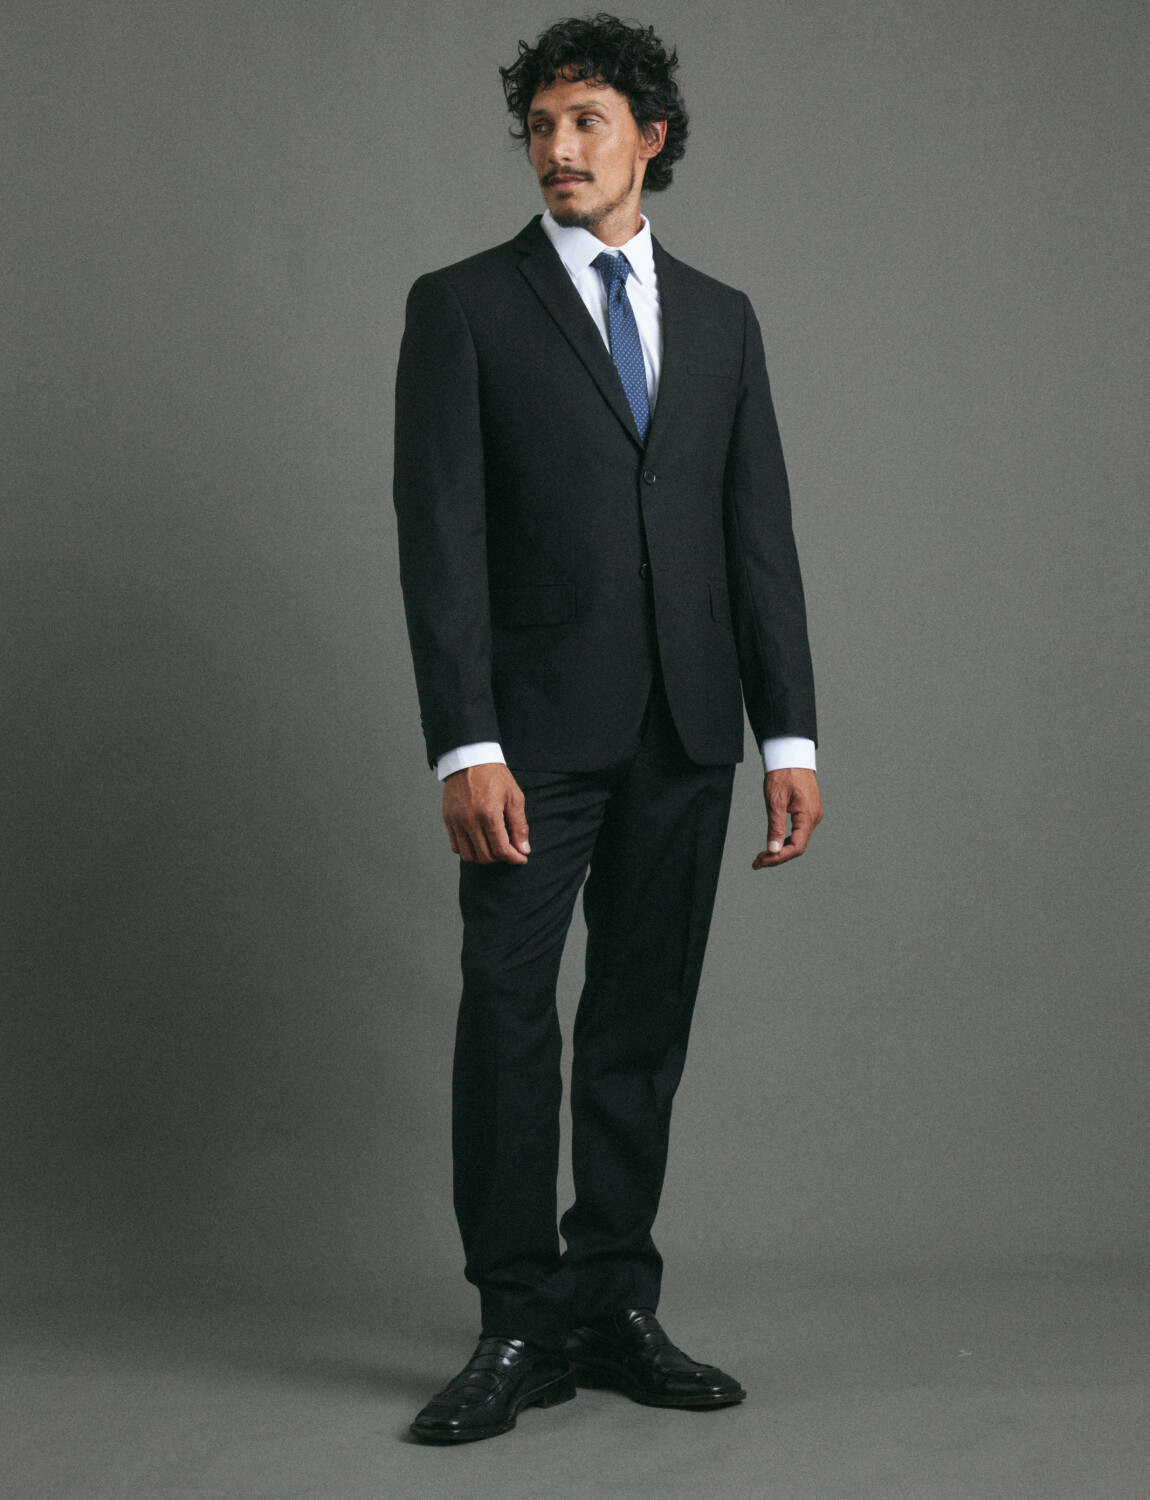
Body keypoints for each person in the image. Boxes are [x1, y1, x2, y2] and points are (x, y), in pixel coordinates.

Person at [393, 14, 822, 1444]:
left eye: (585, 121)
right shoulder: (463, 306)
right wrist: (465, 744)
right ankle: (515, 1321)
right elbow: (441, 543)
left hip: (687, 732)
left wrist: (789, 739)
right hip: (528, 743)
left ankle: (614, 1301)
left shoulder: (722, 318)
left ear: (650, 137)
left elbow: (757, 538)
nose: (557, 148)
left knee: (640, 1025)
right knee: (510, 1017)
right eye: (540, 126)